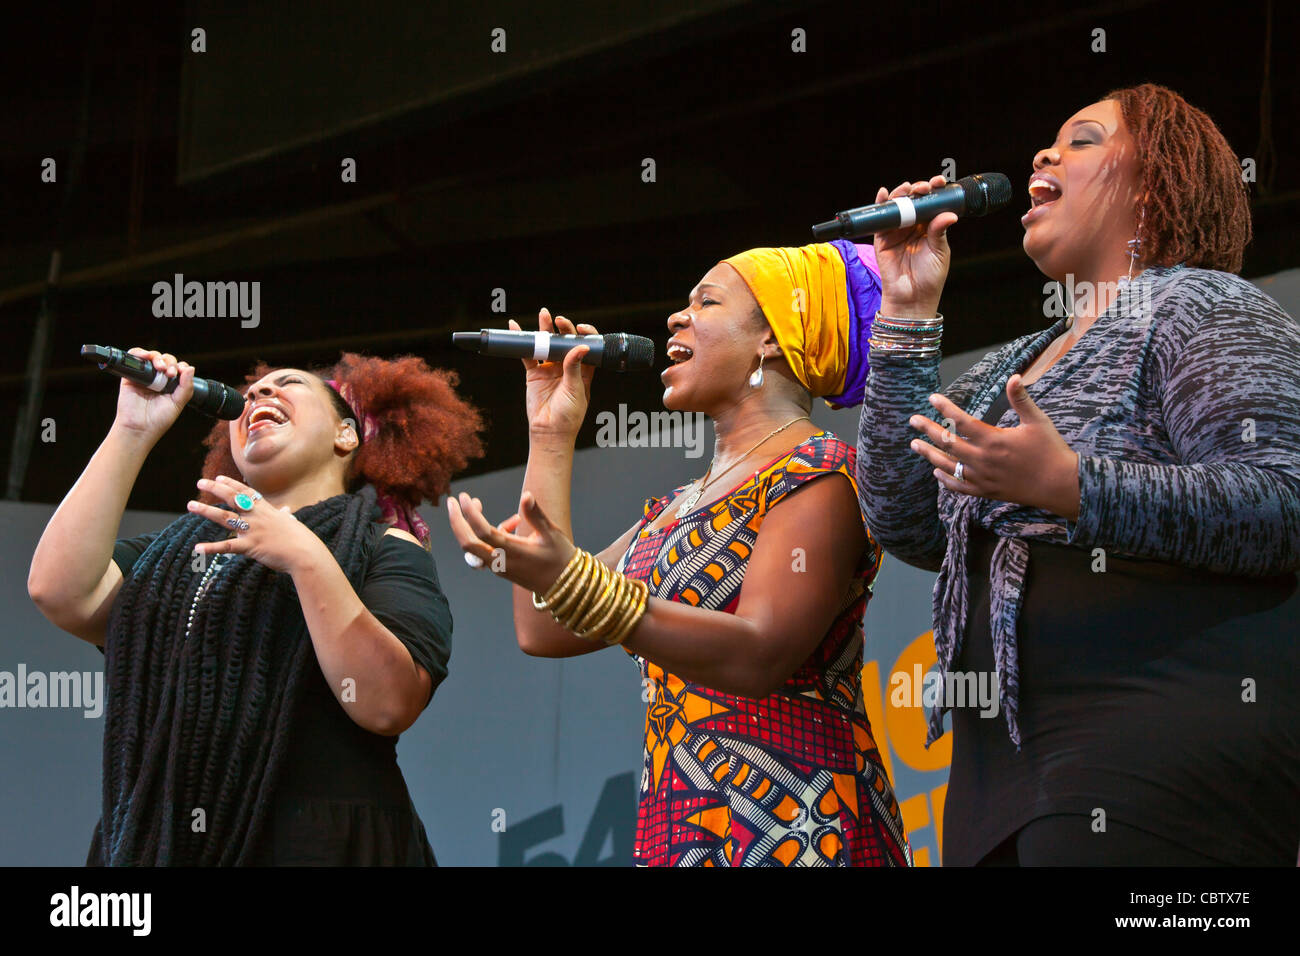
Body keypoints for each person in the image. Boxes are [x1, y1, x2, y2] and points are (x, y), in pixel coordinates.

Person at [856, 83, 1300, 865]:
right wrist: (906, 313)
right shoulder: (1009, 368)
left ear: (1155, 181)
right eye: (1051, 140)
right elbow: (902, 517)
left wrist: (1074, 487)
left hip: (1156, 757)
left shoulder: (1204, 306)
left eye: (1084, 139)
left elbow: (1283, 501)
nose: (1044, 153)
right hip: (997, 785)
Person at [448, 241, 912, 867]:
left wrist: (584, 586)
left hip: (801, 824)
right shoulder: (673, 508)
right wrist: (550, 432)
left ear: (770, 340)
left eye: (706, 302)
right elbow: (545, 624)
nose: (676, 317)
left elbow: (759, 651)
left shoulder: (820, 472)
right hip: (680, 824)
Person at [28, 348, 484, 865]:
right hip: (169, 843)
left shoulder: (385, 547)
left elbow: (386, 703)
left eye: (288, 384)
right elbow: (61, 591)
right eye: (249, 395)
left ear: (346, 435)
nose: (261, 393)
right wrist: (132, 430)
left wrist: (306, 559)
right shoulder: (178, 555)